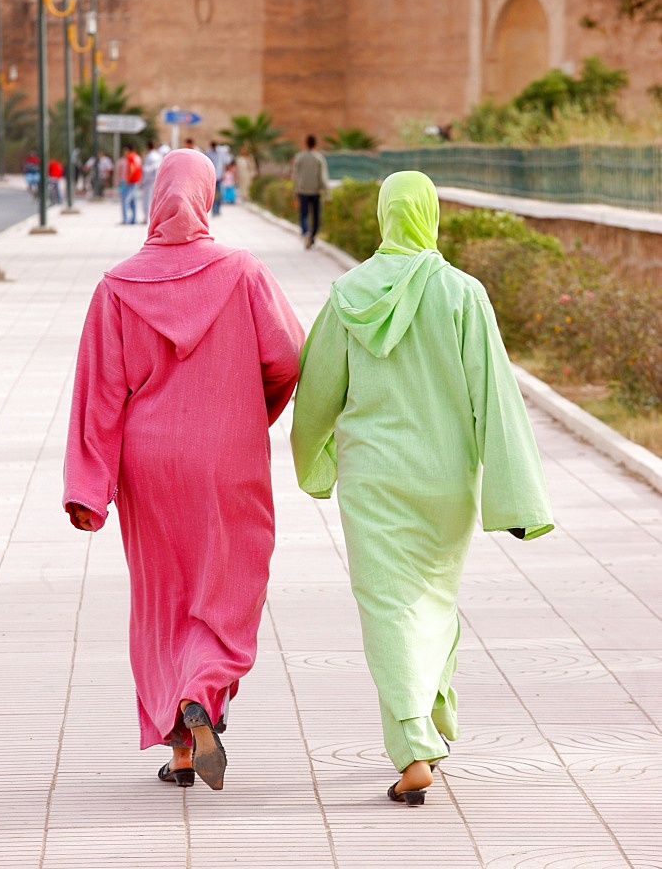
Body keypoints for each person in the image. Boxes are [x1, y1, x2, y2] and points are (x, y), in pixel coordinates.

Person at [290, 170, 554, 807]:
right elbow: (495, 398)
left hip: (373, 480)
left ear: (383, 215)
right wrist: (517, 499)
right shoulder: (463, 294)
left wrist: (314, 462)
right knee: (433, 596)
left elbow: (316, 392)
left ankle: (413, 746)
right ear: (429, 214)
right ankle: (428, 722)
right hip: (445, 481)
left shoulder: (347, 296)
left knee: (387, 604)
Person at [63, 149, 304, 792]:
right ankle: (203, 693)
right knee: (227, 584)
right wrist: (253, 411)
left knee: (163, 598)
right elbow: (288, 358)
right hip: (228, 457)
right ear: (208, 196)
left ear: (153, 197)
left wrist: (90, 487)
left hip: (151, 465)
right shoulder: (243, 272)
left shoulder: (117, 286)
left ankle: (179, 748)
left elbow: (99, 395)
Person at [292, 134, 329, 249]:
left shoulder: (299, 157)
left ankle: (306, 231)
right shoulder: (319, 158)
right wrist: (327, 194)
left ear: (306, 143)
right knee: (316, 216)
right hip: (315, 191)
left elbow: (295, 175)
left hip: (302, 191)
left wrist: (295, 189)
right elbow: (323, 177)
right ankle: (312, 236)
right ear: (315, 144)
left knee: (304, 214)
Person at [140, 141, 162, 222]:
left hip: (149, 181)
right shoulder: (158, 155)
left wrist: (143, 182)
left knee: (147, 201)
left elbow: (147, 170)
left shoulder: (150, 157)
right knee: (154, 200)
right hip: (156, 181)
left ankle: (147, 218)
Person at [122, 144, 142, 224]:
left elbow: (132, 168)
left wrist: (128, 179)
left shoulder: (130, 157)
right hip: (136, 181)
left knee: (125, 200)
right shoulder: (137, 157)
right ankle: (134, 219)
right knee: (133, 201)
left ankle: (126, 219)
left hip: (131, 182)